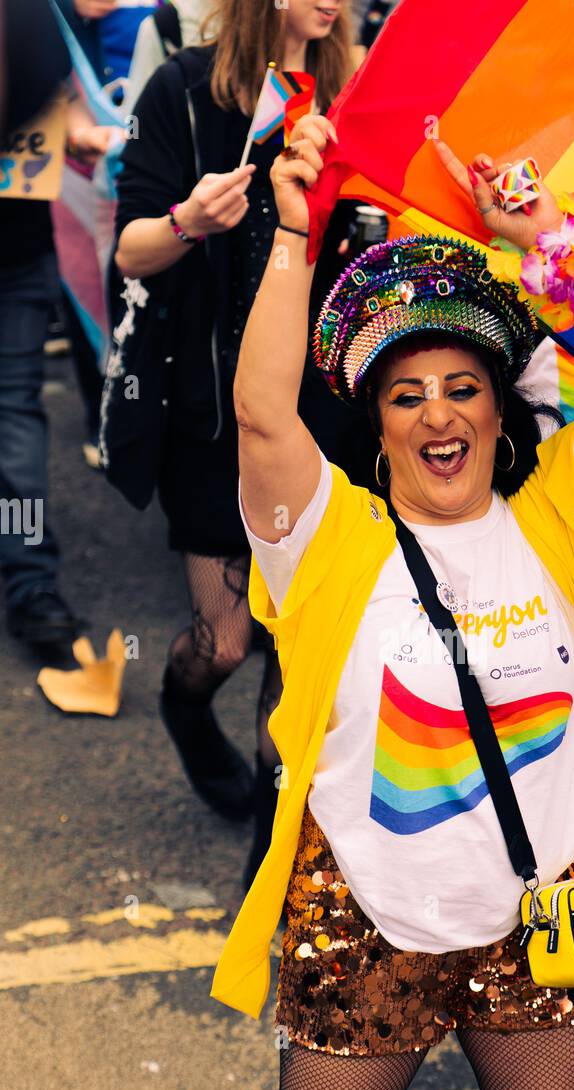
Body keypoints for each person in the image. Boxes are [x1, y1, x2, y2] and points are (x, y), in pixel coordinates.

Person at [210, 117, 574, 1090]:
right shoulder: (329, 546)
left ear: (494, 408)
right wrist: (289, 230)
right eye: (405, 395)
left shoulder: (565, 525)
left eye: (461, 387)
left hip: (544, 912)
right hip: (364, 911)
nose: (436, 415)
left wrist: (542, 239)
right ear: (374, 426)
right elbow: (264, 416)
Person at [112, 0, 362, 883]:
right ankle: (184, 709)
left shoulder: (355, 91)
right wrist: (189, 221)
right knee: (224, 640)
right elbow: (131, 251)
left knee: (295, 648)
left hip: (325, 411)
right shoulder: (184, 90)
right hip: (213, 416)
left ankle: (271, 862)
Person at [0, 0, 117, 649]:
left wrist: (84, 132)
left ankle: (28, 576)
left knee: (15, 417)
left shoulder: (32, 16)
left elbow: (58, 94)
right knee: (14, 416)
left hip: (18, 251)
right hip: (20, 246)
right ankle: (29, 579)